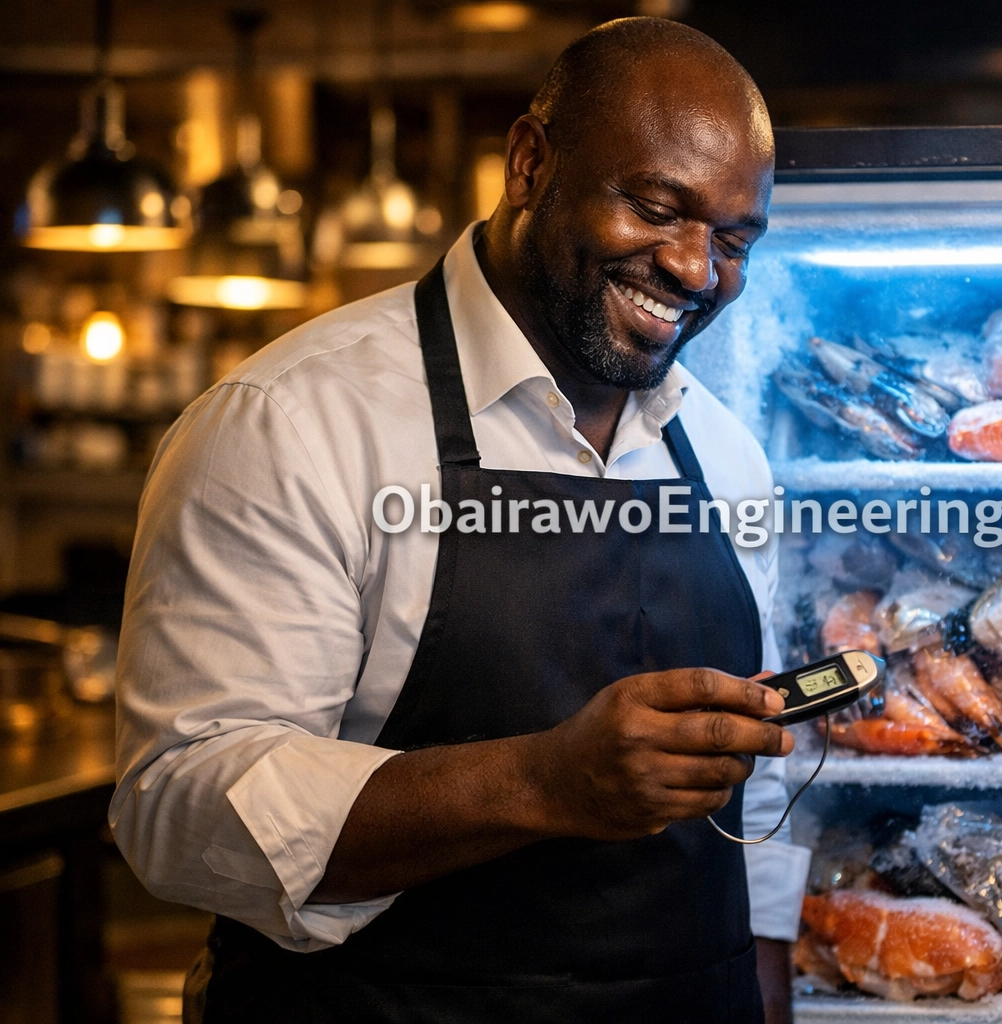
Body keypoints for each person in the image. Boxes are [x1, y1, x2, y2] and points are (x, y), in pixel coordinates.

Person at [110, 18, 810, 1023]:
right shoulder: (294, 423)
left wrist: (766, 976)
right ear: (530, 163)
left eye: (735, 240)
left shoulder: (728, 455)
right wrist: (541, 781)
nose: (698, 271)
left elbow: (753, 769)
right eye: (659, 209)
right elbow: (180, 807)